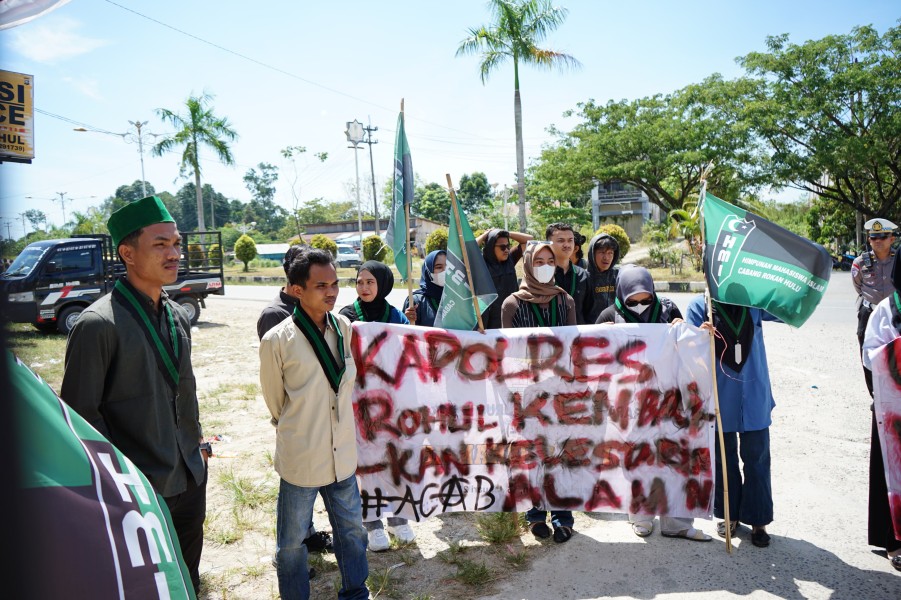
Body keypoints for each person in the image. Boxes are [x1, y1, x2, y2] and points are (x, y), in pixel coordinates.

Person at [60, 196, 208, 592]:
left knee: (187, 578)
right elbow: (80, 421)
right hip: (139, 489)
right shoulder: (97, 324)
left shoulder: (177, 315)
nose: (175, 253)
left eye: (176, 243)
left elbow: (184, 391)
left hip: (190, 476)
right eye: (161, 244)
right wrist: (121, 483)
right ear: (127, 252)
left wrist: (197, 445)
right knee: (146, 585)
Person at [259, 249, 369, 600]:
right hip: (302, 456)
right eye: (321, 285)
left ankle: (355, 591)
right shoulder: (276, 340)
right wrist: (300, 425)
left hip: (342, 455)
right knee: (291, 544)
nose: (331, 292)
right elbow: (275, 401)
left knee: (352, 531)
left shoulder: (344, 327)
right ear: (296, 289)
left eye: (335, 284)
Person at [597, 265, 712, 542]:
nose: (639, 305)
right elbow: (596, 358)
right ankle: (641, 515)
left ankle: (678, 521)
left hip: (669, 399)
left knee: (675, 457)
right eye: (632, 300)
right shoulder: (608, 316)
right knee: (639, 459)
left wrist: (690, 331)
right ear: (621, 295)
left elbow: (685, 348)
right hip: (631, 406)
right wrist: (599, 335)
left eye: (645, 298)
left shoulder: (668, 309)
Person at [256, 245, 334, 561]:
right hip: (299, 421)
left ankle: (309, 535)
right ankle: (290, 553)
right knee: (296, 490)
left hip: (324, 419)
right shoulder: (276, 315)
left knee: (312, 487)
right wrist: (289, 417)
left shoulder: (327, 316)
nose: (329, 291)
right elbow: (275, 386)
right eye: (319, 283)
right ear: (295, 281)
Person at [686, 292, 780, 548]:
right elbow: (687, 348)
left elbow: (785, 309)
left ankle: (758, 519)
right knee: (723, 461)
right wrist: (699, 337)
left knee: (757, 459)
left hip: (754, 394)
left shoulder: (754, 301)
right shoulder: (700, 306)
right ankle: (730, 516)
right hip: (718, 397)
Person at [501, 242, 577, 542]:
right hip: (526, 392)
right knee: (530, 455)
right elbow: (508, 350)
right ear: (528, 266)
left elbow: (572, 344)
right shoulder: (513, 304)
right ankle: (534, 515)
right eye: (539, 261)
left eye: (550, 261)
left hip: (559, 391)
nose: (546, 266)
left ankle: (562, 516)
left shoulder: (565, 300)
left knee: (559, 456)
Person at [339, 260, 417, 551]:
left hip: (392, 401)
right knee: (368, 463)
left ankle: (399, 518)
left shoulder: (396, 315)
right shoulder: (346, 316)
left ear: (383, 284)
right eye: (360, 282)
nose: (364, 287)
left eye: (370, 282)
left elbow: (412, 352)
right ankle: (372, 524)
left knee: (395, 460)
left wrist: (413, 326)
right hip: (358, 402)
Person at [861, 249, 901, 572]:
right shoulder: (885, 312)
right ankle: (892, 541)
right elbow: (868, 356)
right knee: (892, 474)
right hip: (892, 413)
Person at [853, 218, 898, 395]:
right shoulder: (860, 262)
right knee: (868, 353)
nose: (878, 241)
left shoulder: (899, 260)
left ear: (892, 239)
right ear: (869, 239)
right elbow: (858, 286)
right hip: (869, 313)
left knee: (896, 351)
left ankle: (895, 393)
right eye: (873, 237)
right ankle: (875, 395)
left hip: (895, 313)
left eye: (883, 236)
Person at [476, 228, 534, 329]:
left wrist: (507, 233)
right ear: (490, 246)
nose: (506, 250)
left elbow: (528, 239)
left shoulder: (510, 258)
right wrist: (486, 234)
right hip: (490, 322)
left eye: (508, 246)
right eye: (502, 247)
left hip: (514, 315)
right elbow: (466, 250)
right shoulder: (481, 263)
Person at [546, 223, 591, 324]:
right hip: (550, 337)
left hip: (578, 337)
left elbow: (589, 313)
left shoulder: (584, 276)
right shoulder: (541, 275)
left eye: (570, 240)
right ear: (548, 243)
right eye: (561, 240)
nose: (567, 245)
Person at [403, 249, 446, 327]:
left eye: (448, 266)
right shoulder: (416, 301)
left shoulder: (459, 297)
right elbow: (408, 334)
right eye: (439, 267)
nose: (445, 271)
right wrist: (407, 321)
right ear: (428, 271)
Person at [584, 232, 620, 323]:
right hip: (592, 332)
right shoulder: (583, 278)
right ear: (592, 253)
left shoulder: (618, 276)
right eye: (602, 252)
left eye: (610, 253)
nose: (606, 257)